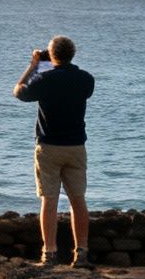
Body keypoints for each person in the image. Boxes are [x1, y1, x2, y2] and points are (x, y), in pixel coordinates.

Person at [12, 35, 95, 266]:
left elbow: (19, 91)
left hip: (49, 146)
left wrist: (33, 66)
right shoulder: (86, 79)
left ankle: (49, 253)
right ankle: (82, 253)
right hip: (76, 146)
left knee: (49, 200)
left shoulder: (43, 79)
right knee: (78, 200)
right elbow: (79, 88)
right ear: (72, 54)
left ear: (53, 55)